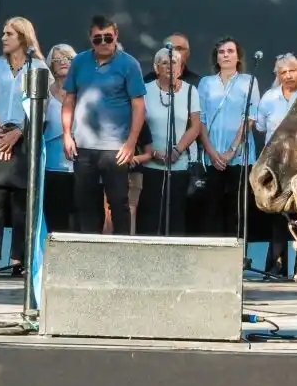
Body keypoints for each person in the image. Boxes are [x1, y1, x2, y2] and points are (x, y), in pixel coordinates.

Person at [61, 16, 146, 236]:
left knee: (119, 202)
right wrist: (67, 135)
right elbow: (69, 99)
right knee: (85, 202)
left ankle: (123, 252)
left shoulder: (129, 64)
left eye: (108, 37)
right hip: (83, 145)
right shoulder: (79, 62)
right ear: (90, 39)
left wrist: (131, 143)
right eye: (98, 39)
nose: (104, 42)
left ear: (116, 36)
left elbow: (138, 106)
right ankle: (90, 253)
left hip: (115, 147)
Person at [0, 17, 45, 275]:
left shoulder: (37, 66)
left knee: (21, 203)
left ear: (23, 37)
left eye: (9, 34)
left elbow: (41, 108)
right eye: (3, 34)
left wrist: (18, 133)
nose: (4, 38)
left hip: (24, 135)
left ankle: (18, 261)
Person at [197, 37, 260, 238]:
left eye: (230, 51)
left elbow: (249, 117)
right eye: (221, 52)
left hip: (239, 157)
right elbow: (201, 119)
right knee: (211, 207)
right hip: (212, 155)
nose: (226, 55)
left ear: (238, 56)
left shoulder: (249, 81)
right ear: (216, 57)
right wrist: (211, 152)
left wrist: (231, 151)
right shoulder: (206, 83)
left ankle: (236, 255)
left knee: (237, 207)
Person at [137, 47, 202, 236]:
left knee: (176, 218)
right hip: (151, 164)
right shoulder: (145, 90)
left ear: (181, 68)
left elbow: (195, 126)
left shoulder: (191, 91)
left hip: (179, 165)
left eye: (174, 62)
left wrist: (177, 151)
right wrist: (153, 153)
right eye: (164, 63)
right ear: (156, 68)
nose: (169, 67)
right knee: (149, 217)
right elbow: (137, 124)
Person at [256, 54, 297, 276]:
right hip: (275, 164)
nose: (287, 76)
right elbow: (261, 127)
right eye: (282, 72)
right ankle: (276, 266)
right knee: (276, 216)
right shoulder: (269, 97)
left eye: (291, 71)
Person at [43, 44, 76, 234]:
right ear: (51, 65)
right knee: (55, 221)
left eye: (68, 58)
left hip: (79, 167)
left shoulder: (82, 91)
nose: (63, 62)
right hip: (51, 167)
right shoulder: (44, 94)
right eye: (58, 59)